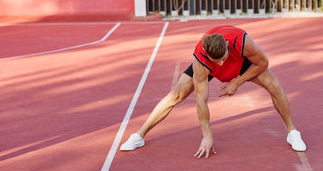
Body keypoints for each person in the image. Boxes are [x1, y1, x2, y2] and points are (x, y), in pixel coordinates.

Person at [120, 25, 306, 158]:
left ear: (227, 45)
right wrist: (207, 135)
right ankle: (139, 136)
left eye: (223, 59)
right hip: (207, 68)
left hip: (241, 65)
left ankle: (292, 131)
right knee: (176, 94)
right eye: (216, 61)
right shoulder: (201, 60)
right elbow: (201, 100)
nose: (221, 64)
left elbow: (263, 63)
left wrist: (237, 81)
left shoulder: (242, 41)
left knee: (274, 86)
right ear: (207, 55)